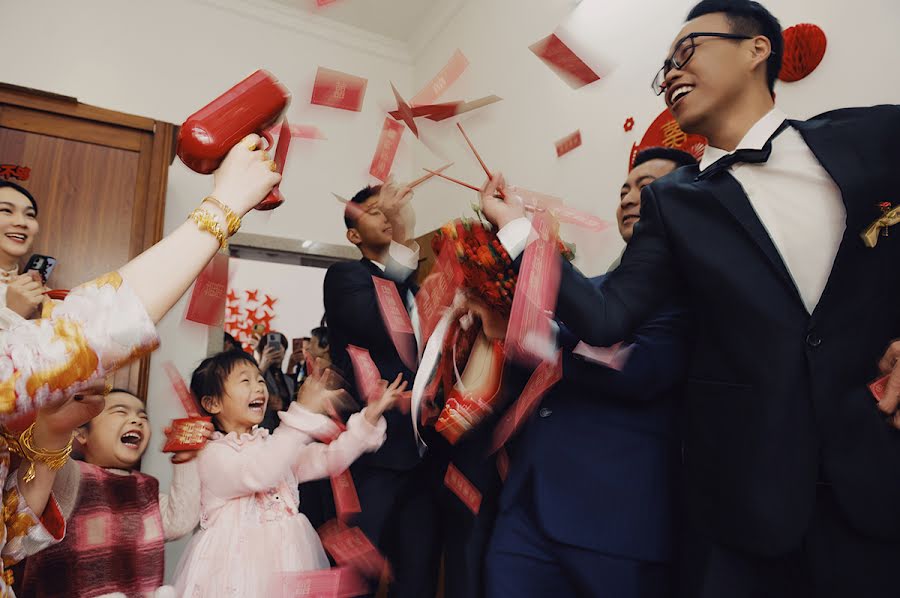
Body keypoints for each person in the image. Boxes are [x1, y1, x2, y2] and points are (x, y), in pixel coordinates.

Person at [478, 2, 900, 596]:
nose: (671, 73)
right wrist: (520, 230)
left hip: (872, 481)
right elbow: (606, 317)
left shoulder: (874, 136)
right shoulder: (674, 205)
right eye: (663, 67)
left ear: (757, 50)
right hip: (741, 504)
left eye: (687, 51)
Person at [0, 132, 281, 595]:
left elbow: (14, 537)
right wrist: (222, 206)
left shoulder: (144, 485)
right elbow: (84, 336)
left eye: (29, 212)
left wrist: (52, 432)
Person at [485, 147, 696, 598]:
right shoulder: (594, 288)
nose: (630, 198)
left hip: (615, 519)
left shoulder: (692, 284)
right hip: (528, 506)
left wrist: (537, 329)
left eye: (648, 186)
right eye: (624, 189)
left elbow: (640, 370)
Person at [172, 351, 406, 597]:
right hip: (235, 569)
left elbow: (330, 458)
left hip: (288, 559)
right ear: (213, 403)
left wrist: (370, 417)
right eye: (245, 381)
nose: (259, 386)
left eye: (260, 379)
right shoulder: (214, 455)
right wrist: (302, 412)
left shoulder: (271, 444)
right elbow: (260, 473)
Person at [324, 182, 441, 596]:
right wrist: (406, 242)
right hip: (372, 457)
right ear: (353, 235)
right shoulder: (345, 277)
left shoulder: (416, 287)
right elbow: (380, 326)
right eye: (374, 211)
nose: (385, 215)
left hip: (423, 454)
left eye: (389, 210)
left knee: (418, 574)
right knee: (357, 575)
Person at [20, 389, 212, 597]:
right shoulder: (69, 475)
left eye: (143, 417)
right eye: (121, 412)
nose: (136, 421)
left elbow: (180, 521)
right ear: (82, 434)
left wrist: (186, 458)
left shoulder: (146, 488)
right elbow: (43, 461)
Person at [0, 181, 45, 330]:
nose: (22, 222)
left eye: (30, 215)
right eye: (6, 210)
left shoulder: (39, 295)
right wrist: (11, 314)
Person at [257, 331, 295, 431]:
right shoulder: (259, 373)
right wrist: (263, 363)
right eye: (271, 347)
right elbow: (249, 388)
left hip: (284, 431)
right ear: (262, 351)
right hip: (262, 430)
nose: (276, 350)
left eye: (279, 347)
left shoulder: (289, 380)